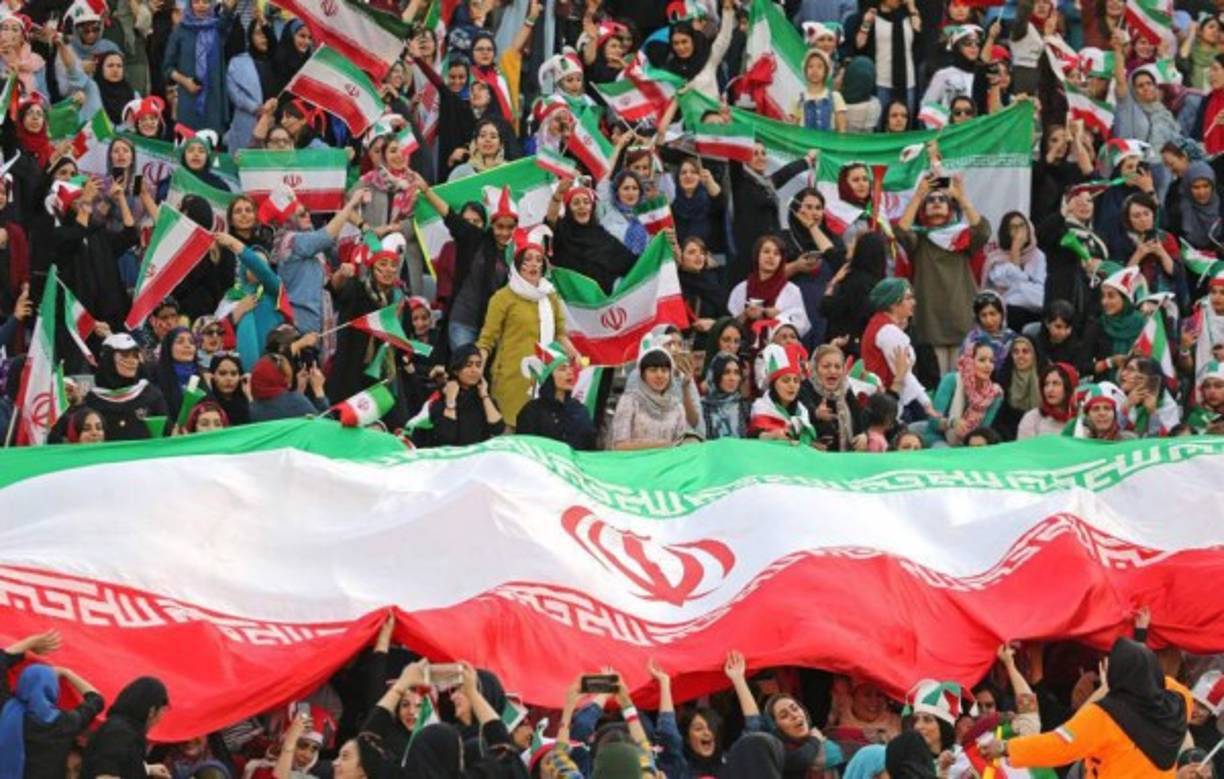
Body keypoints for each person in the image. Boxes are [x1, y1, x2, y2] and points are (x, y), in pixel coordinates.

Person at [989, 638, 1193, 778]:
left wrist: (1007, 748)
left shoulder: (1105, 716)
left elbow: (1060, 745)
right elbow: (1148, 676)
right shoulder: (1181, 700)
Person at [896, 173, 991, 377]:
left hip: (962, 316)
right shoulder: (920, 237)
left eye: (942, 199)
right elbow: (902, 231)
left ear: (951, 207)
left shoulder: (961, 236)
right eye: (931, 200)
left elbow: (982, 231)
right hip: (930, 319)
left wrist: (962, 198)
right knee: (938, 383)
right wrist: (918, 196)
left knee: (963, 382)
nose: (936, 202)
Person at [476, 227, 572, 428]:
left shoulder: (550, 296)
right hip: (511, 379)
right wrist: (477, 369)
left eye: (538, 259)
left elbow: (560, 334)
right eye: (528, 259)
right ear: (518, 265)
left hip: (545, 379)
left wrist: (578, 357)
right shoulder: (502, 298)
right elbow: (486, 340)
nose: (534, 264)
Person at [0, 663, 104, 778]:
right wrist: (67, 673)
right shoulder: (66, 722)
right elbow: (96, 700)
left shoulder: (6, 709)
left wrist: (30, 644)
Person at [861, 279, 938, 422]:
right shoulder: (888, 331)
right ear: (893, 303)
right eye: (908, 298)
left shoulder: (882, 325)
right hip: (886, 407)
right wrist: (926, 403)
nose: (913, 303)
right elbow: (903, 373)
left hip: (885, 400)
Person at [81, 676, 170, 778]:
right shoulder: (120, 733)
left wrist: (147, 769)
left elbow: (124, 766)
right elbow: (105, 775)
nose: (161, 717)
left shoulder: (123, 729)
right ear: (152, 711)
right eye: (163, 710)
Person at [610, 338, 689, 450]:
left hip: (667, 465)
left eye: (664, 370)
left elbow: (680, 445)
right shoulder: (630, 401)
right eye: (653, 370)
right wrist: (662, 445)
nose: (659, 375)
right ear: (642, 375)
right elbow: (619, 446)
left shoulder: (677, 407)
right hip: (634, 464)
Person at [515, 342, 596, 450]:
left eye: (569, 368)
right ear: (548, 378)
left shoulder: (580, 410)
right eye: (562, 369)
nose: (570, 372)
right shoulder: (531, 412)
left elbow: (591, 449)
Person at [727, 236, 811, 339]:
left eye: (776, 254)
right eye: (766, 252)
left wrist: (778, 317)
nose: (771, 256)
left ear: (781, 260)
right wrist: (745, 314)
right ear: (757, 256)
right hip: (743, 349)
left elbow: (801, 326)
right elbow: (729, 326)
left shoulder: (791, 290)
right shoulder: (741, 289)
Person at [421, 345, 505, 447]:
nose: (474, 370)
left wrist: (484, 395)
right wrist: (450, 401)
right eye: (468, 365)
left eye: (478, 365)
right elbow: (446, 437)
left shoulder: (483, 398)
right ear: (456, 370)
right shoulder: (440, 399)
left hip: (479, 458)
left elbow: (498, 429)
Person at [748, 343, 816, 445]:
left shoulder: (802, 411)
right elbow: (752, 438)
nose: (792, 385)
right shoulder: (761, 409)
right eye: (786, 380)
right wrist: (771, 436)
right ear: (773, 385)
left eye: (796, 381)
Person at [803, 344, 864, 451]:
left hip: (846, 461)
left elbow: (861, 422)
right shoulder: (804, 389)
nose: (832, 371)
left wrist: (864, 436)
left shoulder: (846, 391)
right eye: (826, 366)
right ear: (815, 368)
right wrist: (815, 414)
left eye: (837, 367)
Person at [247, 353, 328, 422]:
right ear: (284, 378)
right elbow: (327, 425)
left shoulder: (252, 409)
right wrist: (318, 390)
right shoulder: (297, 402)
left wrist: (299, 391)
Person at [993, 335, 1044, 440]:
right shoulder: (1003, 378)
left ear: (1034, 354)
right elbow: (998, 419)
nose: (1020, 356)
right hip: (1008, 436)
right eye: (1015, 352)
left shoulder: (1046, 378)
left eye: (1025, 351)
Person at [1018, 362, 1079, 439]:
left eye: (1056, 384)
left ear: (1069, 388)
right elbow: (1023, 449)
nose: (1049, 390)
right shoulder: (1033, 418)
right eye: (1046, 384)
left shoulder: (1080, 420)